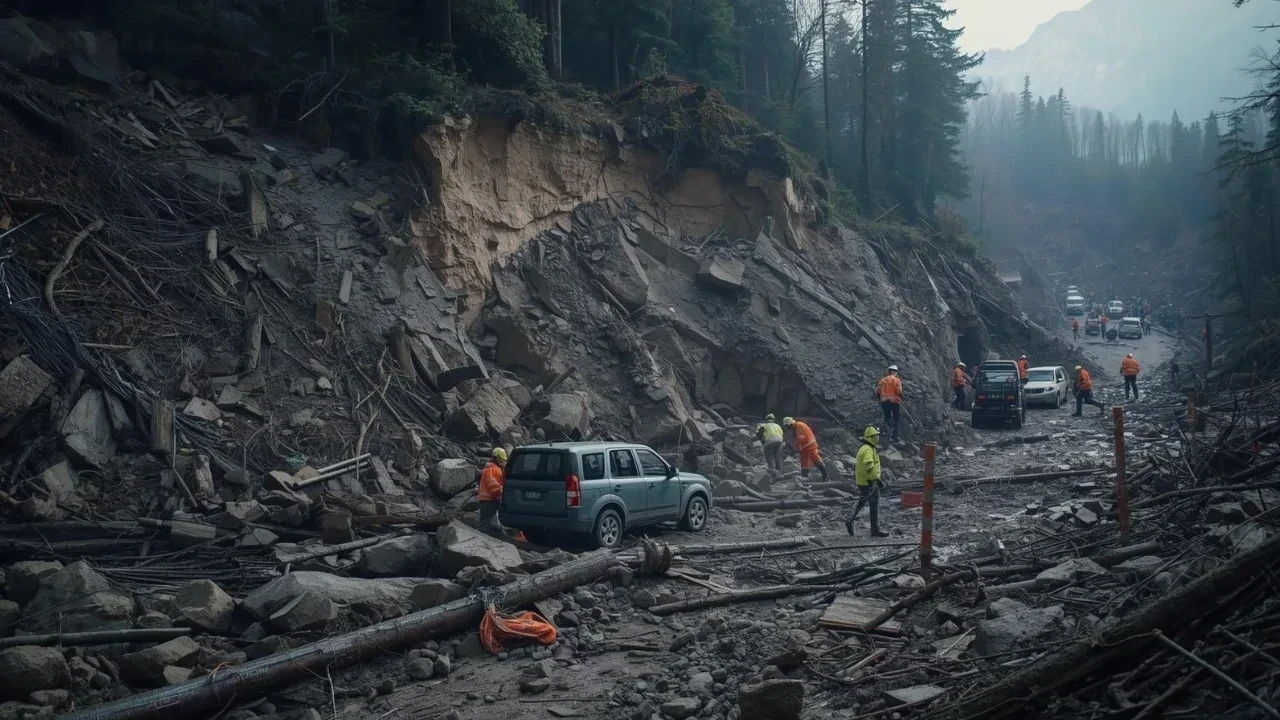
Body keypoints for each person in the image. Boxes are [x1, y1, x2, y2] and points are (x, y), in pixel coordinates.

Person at [845, 426, 889, 538]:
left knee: (863, 501)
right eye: (876, 436)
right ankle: (874, 530)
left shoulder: (865, 448)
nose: (878, 437)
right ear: (871, 437)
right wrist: (876, 480)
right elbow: (868, 466)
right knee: (873, 505)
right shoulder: (868, 450)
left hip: (864, 481)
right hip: (869, 482)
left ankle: (850, 519)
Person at [783, 417, 828, 481]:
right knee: (804, 462)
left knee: (815, 459)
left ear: (790, 424)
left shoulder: (799, 425)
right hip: (804, 446)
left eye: (788, 426)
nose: (789, 429)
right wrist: (796, 447)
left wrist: (795, 447)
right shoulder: (796, 427)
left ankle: (825, 475)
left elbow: (801, 437)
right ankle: (805, 477)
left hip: (810, 444)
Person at [477, 447, 509, 533]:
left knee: (493, 522)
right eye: (502, 461)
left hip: (488, 500)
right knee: (485, 523)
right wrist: (503, 491)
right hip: (489, 500)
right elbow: (494, 488)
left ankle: (494, 537)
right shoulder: (492, 469)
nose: (503, 463)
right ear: (497, 459)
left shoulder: (491, 468)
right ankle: (481, 540)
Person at [876, 365, 903, 442]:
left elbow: (878, 391)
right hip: (894, 401)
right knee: (896, 418)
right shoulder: (897, 380)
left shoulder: (882, 380)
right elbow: (899, 391)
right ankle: (894, 436)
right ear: (894, 372)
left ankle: (890, 430)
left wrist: (879, 399)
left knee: (887, 417)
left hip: (884, 401)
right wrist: (901, 397)